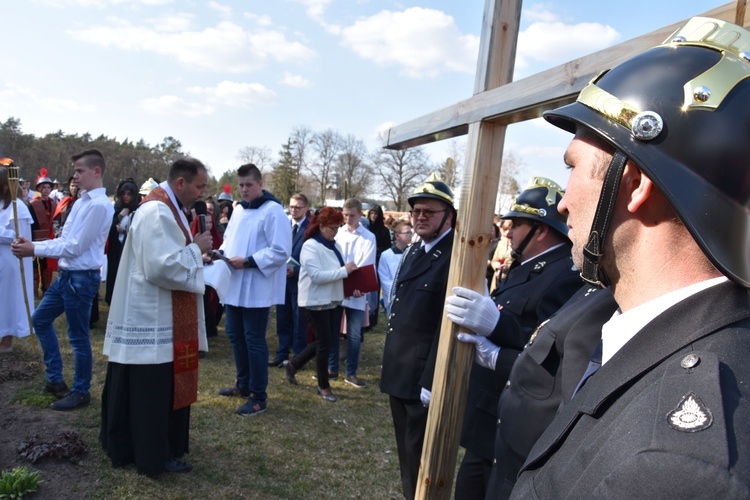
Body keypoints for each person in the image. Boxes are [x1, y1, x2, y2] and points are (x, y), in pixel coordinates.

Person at [510, 17, 750, 498]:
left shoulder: (673, 466)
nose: (561, 203)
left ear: (635, 183)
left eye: (574, 167)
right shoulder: (678, 340)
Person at [445, 177, 582, 498]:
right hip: (489, 414)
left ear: (542, 230)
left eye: (517, 225)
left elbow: (549, 348)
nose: (507, 231)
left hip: (514, 420)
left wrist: (496, 328)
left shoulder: (563, 275)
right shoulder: (527, 267)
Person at [100, 157, 212, 477]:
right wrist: (196, 248)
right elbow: (161, 267)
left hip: (161, 314)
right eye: (200, 186)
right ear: (180, 183)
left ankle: (158, 447)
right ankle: (152, 455)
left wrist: (192, 248)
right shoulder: (157, 210)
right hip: (151, 318)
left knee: (155, 390)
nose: (202, 193)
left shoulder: (168, 207)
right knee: (151, 394)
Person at [11, 149, 113, 411]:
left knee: (77, 338)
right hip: (67, 275)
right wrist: (34, 243)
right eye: (75, 171)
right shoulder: (80, 202)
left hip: (81, 278)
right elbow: (64, 239)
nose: (75, 176)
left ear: (96, 171)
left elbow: (75, 246)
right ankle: (55, 379)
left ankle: (81, 391)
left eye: (80, 171)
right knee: (41, 319)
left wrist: (34, 249)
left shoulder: (100, 206)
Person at [380, 173, 455, 499]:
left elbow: (447, 324)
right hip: (401, 369)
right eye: (416, 212)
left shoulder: (455, 255)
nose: (420, 217)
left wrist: (431, 379)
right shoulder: (415, 250)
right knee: (407, 452)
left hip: (423, 376)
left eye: (429, 212)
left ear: (448, 216)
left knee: (424, 456)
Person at [217, 163, 291, 416]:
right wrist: (219, 255)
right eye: (241, 185)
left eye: (249, 185)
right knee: (234, 334)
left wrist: (248, 261)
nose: (244, 189)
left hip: (257, 286)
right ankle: (243, 384)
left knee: (254, 339)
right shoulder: (238, 210)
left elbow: (281, 250)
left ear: (260, 184)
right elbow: (229, 240)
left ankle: (259, 396)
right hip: (235, 283)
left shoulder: (273, 211)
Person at [284, 207, 357, 402]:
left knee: (325, 341)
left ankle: (294, 365)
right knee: (325, 342)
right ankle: (323, 385)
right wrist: (344, 271)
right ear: (322, 226)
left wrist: (353, 285)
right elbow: (316, 276)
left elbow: (338, 274)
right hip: (314, 300)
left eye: (338, 227)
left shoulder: (335, 245)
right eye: (333, 227)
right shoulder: (311, 246)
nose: (336, 231)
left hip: (332, 299)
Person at [331, 198, 376, 388]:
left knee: (354, 334)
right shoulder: (337, 233)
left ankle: (351, 372)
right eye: (345, 215)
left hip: (356, 290)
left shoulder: (368, 237)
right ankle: (331, 368)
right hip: (335, 286)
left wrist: (358, 284)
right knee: (332, 330)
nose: (348, 218)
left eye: (352, 215)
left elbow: (366, 262)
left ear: (360, 215)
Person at [269, 193, 311, 367]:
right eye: (291, 206)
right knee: (282, 319)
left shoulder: (310, 229)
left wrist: (297, 270)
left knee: (299, 320)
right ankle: (282, 353)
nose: (293, 210)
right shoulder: (284, 224)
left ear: (306, 209)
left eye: (298, 207)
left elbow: (313, 259)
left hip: (300, 281)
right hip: (282, 280)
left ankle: (298, 358)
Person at [0, 162, 34, 353]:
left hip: (10, 262)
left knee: (7, 299)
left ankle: (7, 340)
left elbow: (20, 236)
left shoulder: (18, 207)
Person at [190, 197, 223, 338]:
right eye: (206, 222)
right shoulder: (193, 235)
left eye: (210, 222)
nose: (208, 225)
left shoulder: (217, 235)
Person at [105, 179, 140, 305]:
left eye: (129, 194)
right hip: (115, 247)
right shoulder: (117, 208)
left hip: (129, 247)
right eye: (124, 194)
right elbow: (109, 227)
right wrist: (120, 216)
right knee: (114, 272)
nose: (126, 197)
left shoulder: (138, 210)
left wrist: (124, 232)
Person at [28, 168, 57, 296]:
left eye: (48, 187)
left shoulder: (54, 204)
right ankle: (33, 290)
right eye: (43, 187)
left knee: (46, 266)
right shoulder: (33, 204)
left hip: (48, 238)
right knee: (34, 265)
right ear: (39, 188)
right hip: (35, 238)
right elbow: (31, 223)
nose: (46, 189)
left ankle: (46, 288)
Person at [378, 220, 412, 318]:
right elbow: (385, 280)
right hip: (393, 297)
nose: (410, 235)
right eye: (407, 233)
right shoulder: (386, 255)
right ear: (397, 236)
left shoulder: (413, 253)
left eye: (411, 232)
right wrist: (397, 295)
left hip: (409, 297)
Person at [366, 204, 391, 328]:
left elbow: (387, 247)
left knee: (375, 289)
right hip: (366, 262)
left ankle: (372, 319)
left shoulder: (384, 231)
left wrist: (376, 251)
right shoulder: (366, 228)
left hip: (377, 262)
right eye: (371, 213)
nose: (373, 216)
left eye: (375, 214)